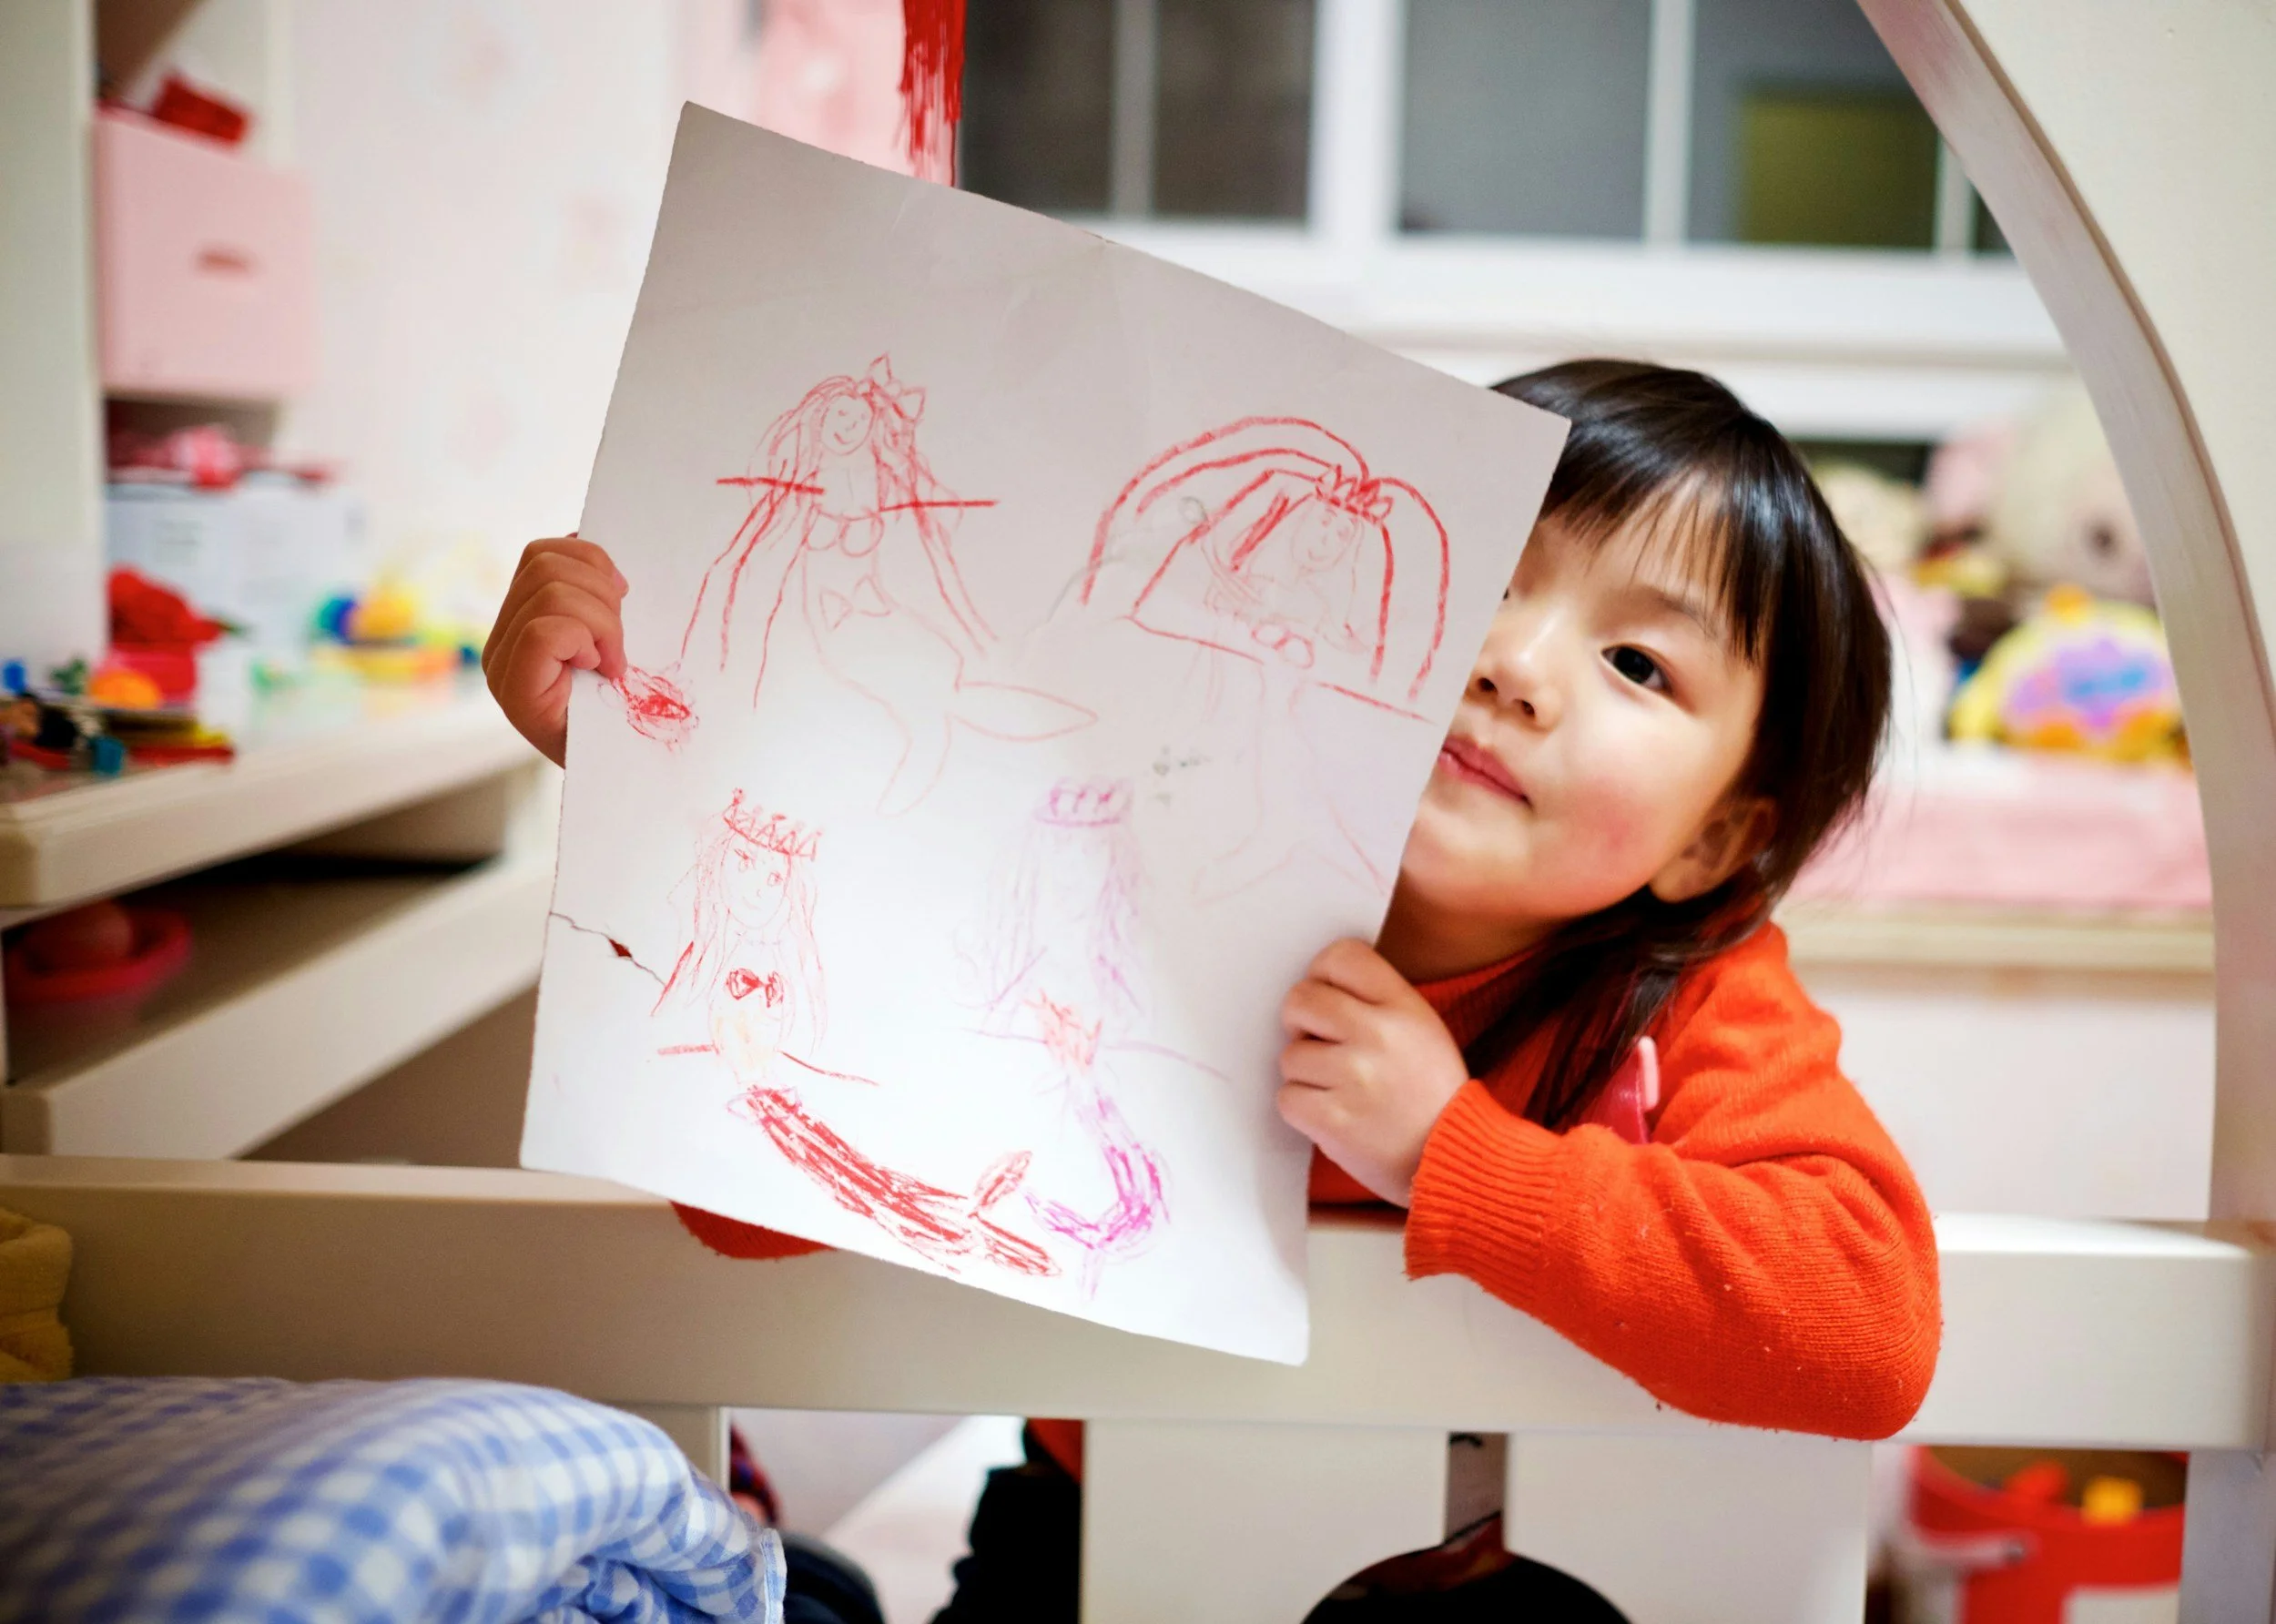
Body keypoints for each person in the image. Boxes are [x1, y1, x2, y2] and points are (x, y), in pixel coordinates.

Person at [483, 360, 1938, 1619]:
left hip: (1503, 1586)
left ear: (1716, 841)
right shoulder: (1138, 866)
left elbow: (1867, 1329)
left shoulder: (1693, 994)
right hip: (1102, 1534)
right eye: (1485, 577)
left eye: (1635, 661)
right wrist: (650, 780)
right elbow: (740, 1208)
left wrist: (1453, 1155)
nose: (1511, 664)